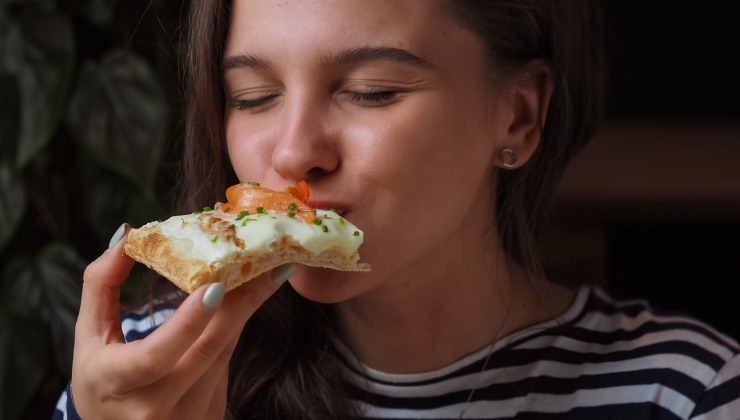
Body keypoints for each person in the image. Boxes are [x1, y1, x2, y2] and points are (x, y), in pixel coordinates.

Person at [54, 0, 740, 419]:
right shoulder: (138, 379)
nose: (294, 153)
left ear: (518, 115)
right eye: (254, 97)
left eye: (372, 91)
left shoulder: (689, 393)